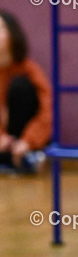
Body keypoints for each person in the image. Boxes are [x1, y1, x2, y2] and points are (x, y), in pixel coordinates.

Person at [0, 11, 52, 175]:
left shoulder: (29, 70)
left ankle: (25, 157)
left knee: (20, 86)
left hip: (24, 140)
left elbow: (47, 109)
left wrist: (28, 140)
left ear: (12, 34)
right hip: (3, 142)